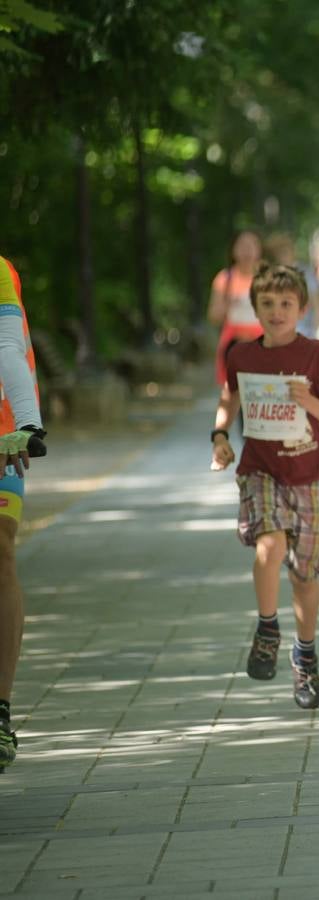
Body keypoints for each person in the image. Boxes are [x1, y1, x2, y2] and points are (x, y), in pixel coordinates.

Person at [210, 263, 319, 709]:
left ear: (302, 308)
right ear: (254, 308)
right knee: (268, 546)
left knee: (304, 575)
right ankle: (268, 627)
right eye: (267, 304)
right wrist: (220, 436)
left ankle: (304, 656)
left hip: (308, 476)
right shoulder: (242, 356)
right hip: (259, 469)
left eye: (286, 304)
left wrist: (310, 400)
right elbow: (229, 396)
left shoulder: (318, 355)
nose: (276, 312)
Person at [0, 255, 46, 773]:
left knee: (2, 550)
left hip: (2, 431)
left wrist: (29, 422)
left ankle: (1, 707)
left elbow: (8, 347)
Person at [207, 230, 264, 386]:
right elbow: (213, 316)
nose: (247, 250)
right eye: (242, 245)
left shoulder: (267, 278)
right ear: (233, 250)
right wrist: (228, 304)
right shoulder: (224, 279)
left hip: (264, 345)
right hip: (234, 346)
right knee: (236, 395)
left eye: (251, 245)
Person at [263, 233, 319, 338]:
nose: (282, 255)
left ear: (292, 251)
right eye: (278, 252)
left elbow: (316, 303)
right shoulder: (270, 276)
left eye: (285, 251)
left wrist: (315, 330)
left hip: (304, 332)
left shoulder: (305, 273)